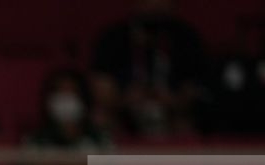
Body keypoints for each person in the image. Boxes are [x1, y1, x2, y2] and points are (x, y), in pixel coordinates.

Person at [89, 0, 209, 136]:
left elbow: (196, 86)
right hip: (125, 112)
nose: (155, 4)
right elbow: (101, 88)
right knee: (100, 118)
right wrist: (124, 100)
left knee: (188, 124)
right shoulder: (112, 37)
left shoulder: (187, 37)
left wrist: (174, 100)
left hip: (173, 112)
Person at [21, 67, 112, 165]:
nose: (66, 99)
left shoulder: (100, 138)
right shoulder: (36, 139)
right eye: (60, 92)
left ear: (83, 98)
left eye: (71, 92)